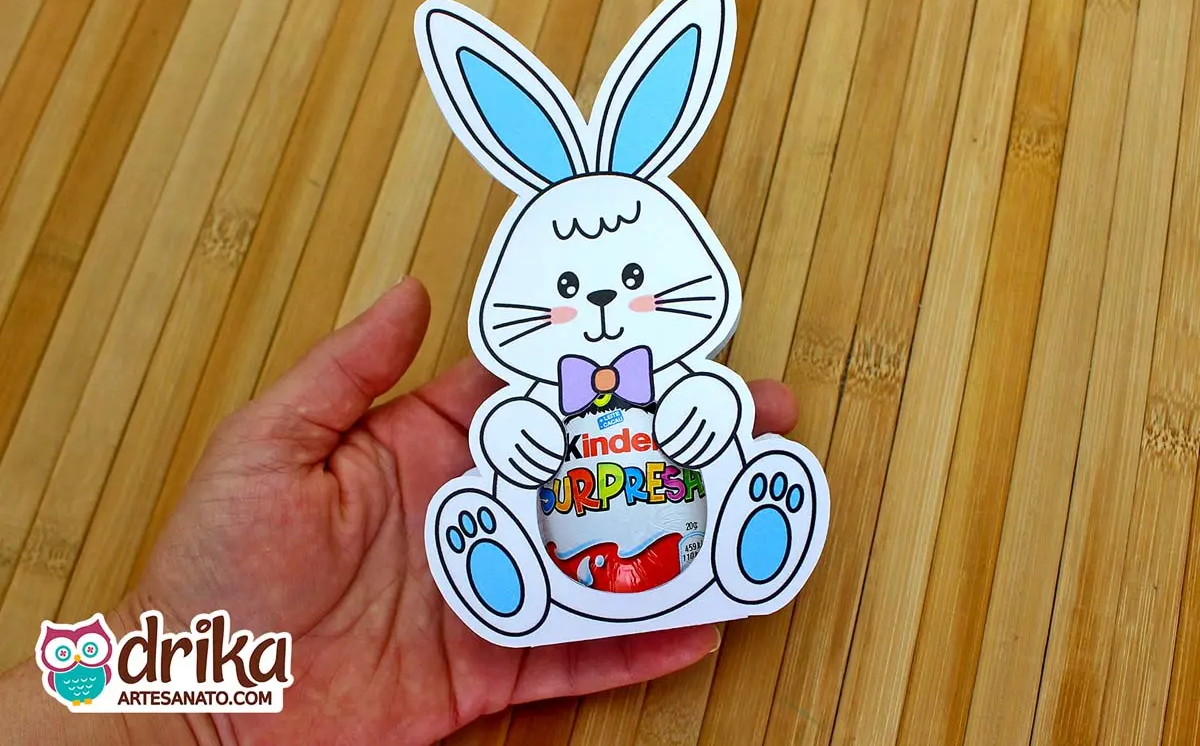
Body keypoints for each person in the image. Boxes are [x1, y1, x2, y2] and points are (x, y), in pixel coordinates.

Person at [0, 278, 799, 744]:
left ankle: (736, 540)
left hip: (660, 528)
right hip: (557, 543)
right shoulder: (523, 400)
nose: (595, 300)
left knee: (712, 464)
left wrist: (187, 700)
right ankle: (505, 574)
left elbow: (713, 409)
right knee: (514, 505)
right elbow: (507, 435)